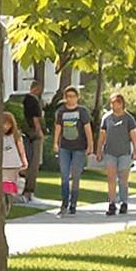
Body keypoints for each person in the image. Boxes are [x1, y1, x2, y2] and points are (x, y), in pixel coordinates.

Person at [50, 85, 96, 216]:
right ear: (65, 98)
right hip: (65, 147)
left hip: (79, 148)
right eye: (68, 97)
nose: (70, 99)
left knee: (75, 176)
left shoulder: (82, 111)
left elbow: (87, 128)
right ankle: (64, 203)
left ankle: (73, 203)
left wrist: (90, 144)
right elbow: (58, 127)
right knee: (64, 176)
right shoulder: (61, 112)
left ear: (77, 98)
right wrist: (55, 143)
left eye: (73, 96)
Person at [98, 93, 136, 216]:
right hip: (110, 152)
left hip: (124, 153)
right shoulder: (107, 118)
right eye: (112, 103)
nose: (114, 105)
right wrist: (99, 150)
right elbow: (102, 136)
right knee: (111, 178)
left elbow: (134, 136)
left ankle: (124, 202)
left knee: (123, 179)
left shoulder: (128, 119)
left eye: (117, 103)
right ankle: (112, 203)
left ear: (122, 104)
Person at [13, 84, 46, 200]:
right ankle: (29, 190)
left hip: (26, 133)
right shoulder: (33, 101)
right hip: (33, 134)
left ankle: (24, 190)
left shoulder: (25, 100)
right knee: (34, 162)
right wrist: (40, 132)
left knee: (28, 159)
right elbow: (35, 119)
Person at [0, 110, 28, 196]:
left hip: (13, 164)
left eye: (8, 124)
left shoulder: (15, 135)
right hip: (3, 164)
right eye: (4, 124)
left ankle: (9, 200)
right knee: (3, 184)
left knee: (10, 186)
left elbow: (21, 149)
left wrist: (24, 161)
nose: (5, 126)